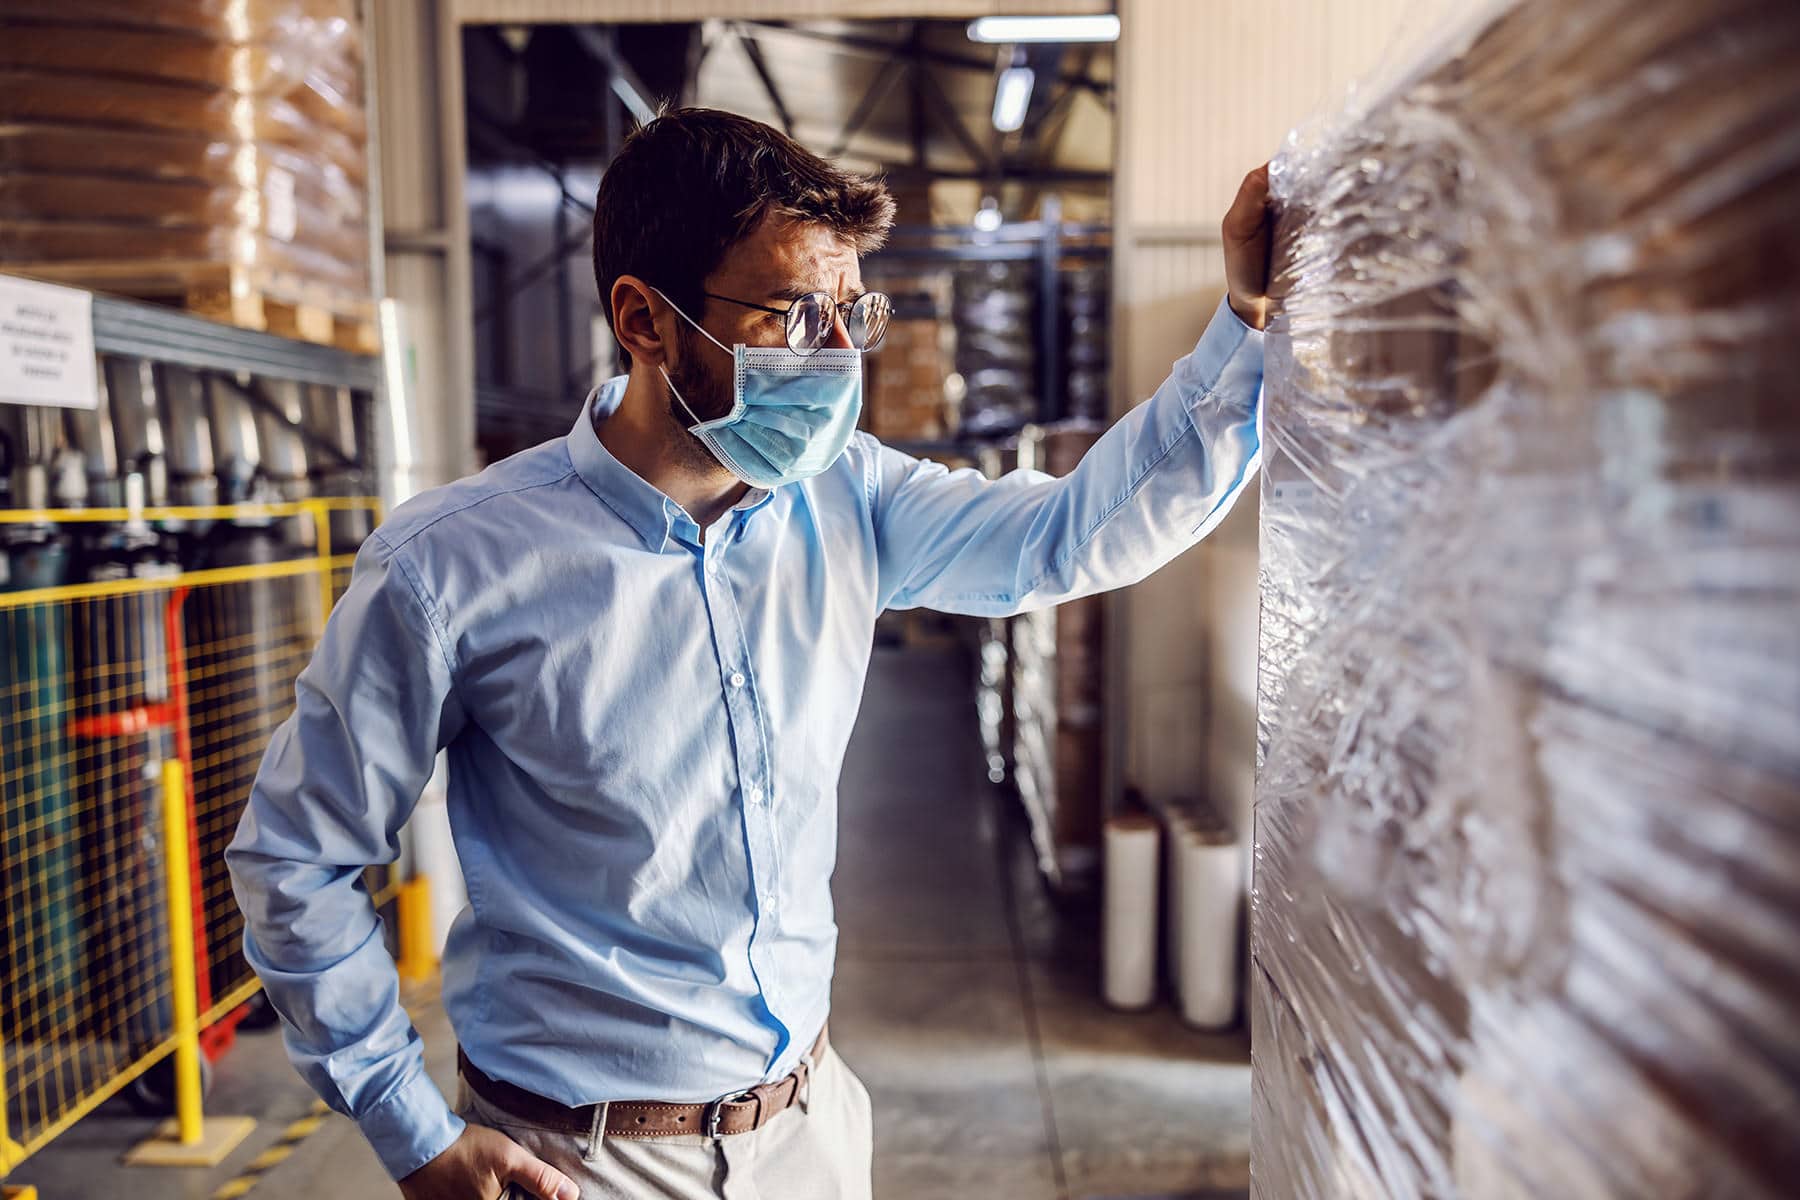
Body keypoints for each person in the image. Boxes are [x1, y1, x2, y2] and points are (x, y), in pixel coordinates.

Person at [227, 106, 1273, 1200]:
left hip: (810, 1130)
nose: (835, 359)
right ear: (645, 319)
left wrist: (1244, 325)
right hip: (584, 1163)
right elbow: (297, 856)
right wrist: (414, 1132)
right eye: (790, 316)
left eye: (847, 313)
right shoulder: (455, 566)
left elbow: (1069, 535)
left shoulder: (849, 497)